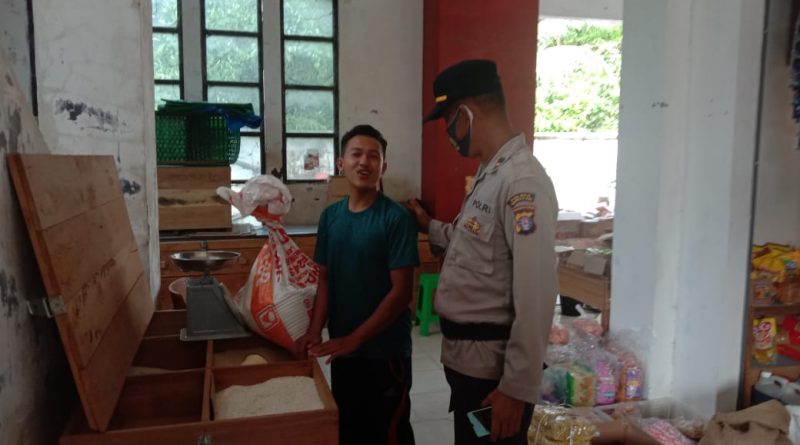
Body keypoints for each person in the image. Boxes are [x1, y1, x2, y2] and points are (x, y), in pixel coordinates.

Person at [407, 59, 559, 445]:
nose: (449, 134)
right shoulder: (491, 173)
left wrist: (516, 389)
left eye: (448, 122)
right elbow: (473, 242)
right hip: (470, 366)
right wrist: (428, 225)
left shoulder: (521, 182)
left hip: (495, 378)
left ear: (465, 114)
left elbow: (536, 294)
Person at [294, 124, 420, 445]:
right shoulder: (330, 217)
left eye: (373, 156)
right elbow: (325, 279)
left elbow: (402, 292)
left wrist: (354, 340)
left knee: (388, 432)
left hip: (384, 353)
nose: (364, 162)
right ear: (341, 163)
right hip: (343, 351)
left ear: (383, 167)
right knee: (349, 430)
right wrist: (314, 330)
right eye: (356, 154)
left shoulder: (396, 218)